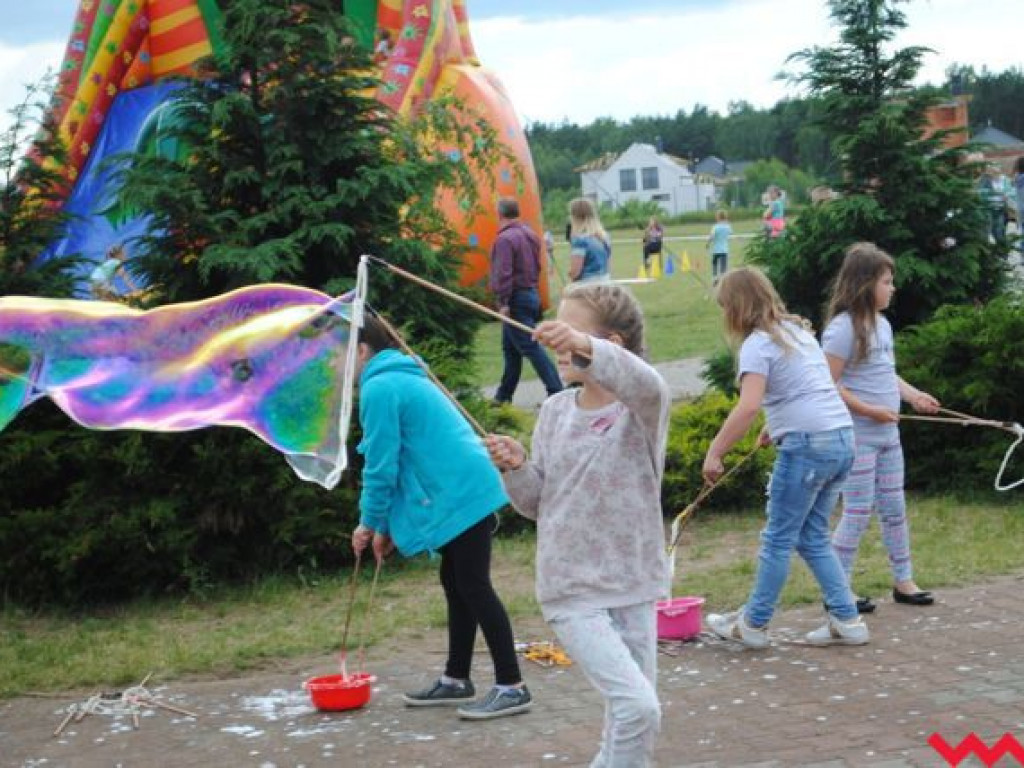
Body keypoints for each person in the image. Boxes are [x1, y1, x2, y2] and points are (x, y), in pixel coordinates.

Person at [485, 282, 670, 767]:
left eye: (569, 332)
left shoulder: (643, 407)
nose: (554, 342)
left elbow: (644, 380)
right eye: (557, 329)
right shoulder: (554, 412)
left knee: (632, 724)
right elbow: (536, 504)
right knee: (638, 708)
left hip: (633, 582)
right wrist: (516, 468)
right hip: (571, 589)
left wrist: (584, 344)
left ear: (613, 344)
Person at [350, 314, 532, 720]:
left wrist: (368, 522)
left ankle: (513, 686)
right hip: (460, 490)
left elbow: (382, 467)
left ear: (362, 350)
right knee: (457, 583)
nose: (333, 365)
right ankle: (456, 679)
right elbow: (406, 462)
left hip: (461, 492)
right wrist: (384, 526)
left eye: (337, 355)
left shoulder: (380, 387)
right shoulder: (397, 378)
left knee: (474, 586)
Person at [703, 267, 867, 648]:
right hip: (841, 439)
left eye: (725, 307)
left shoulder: (757, 344)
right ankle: (848, 620)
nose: (724, 315)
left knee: (778, 538)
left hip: (808, 446)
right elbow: (808, 389)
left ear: (737, 307)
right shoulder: (798, 333)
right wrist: (776, 425)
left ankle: (753, 624)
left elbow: (747, 407)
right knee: (812, 536)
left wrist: (715, 451)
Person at [822, 243, 940, 613]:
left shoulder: (883, 325)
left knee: (894, 508)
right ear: (864, 284)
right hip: (858, 438)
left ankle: (904, 581)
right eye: (886, 282)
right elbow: (828, 385)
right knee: (857, 511)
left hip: (889, 437)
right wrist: (869, 410)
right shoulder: (842, 330)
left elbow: (886, 375)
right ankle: (838, 590)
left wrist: (914, 396)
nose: (893, 288)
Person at [489, 198, 563, 405]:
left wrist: (503, 302)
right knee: (511, 350)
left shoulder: (505, 239)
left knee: (530, 346)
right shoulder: (530, 234)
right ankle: (503, 396)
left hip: (515, 299)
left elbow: (503, 273)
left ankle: (556, 391)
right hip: (530, 293)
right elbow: (537, 267)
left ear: (499, 214)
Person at [567, 197, 611, 282]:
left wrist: (570, 273)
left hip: (586, 285)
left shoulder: (580, 241)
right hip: (605, 281)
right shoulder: (604, 237)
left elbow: (575, 272)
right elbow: (608, 265)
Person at [706, 210, 733, 285]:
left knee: (714, 265)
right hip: (724, 250)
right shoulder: (727, 227)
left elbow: (712, 236)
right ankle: (722, 281)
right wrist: (726, 223)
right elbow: (730, 232)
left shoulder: (715, 227)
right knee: (723, 267)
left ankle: (715, 279)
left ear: (718, 217)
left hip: (716, 250)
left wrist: (708, 243)